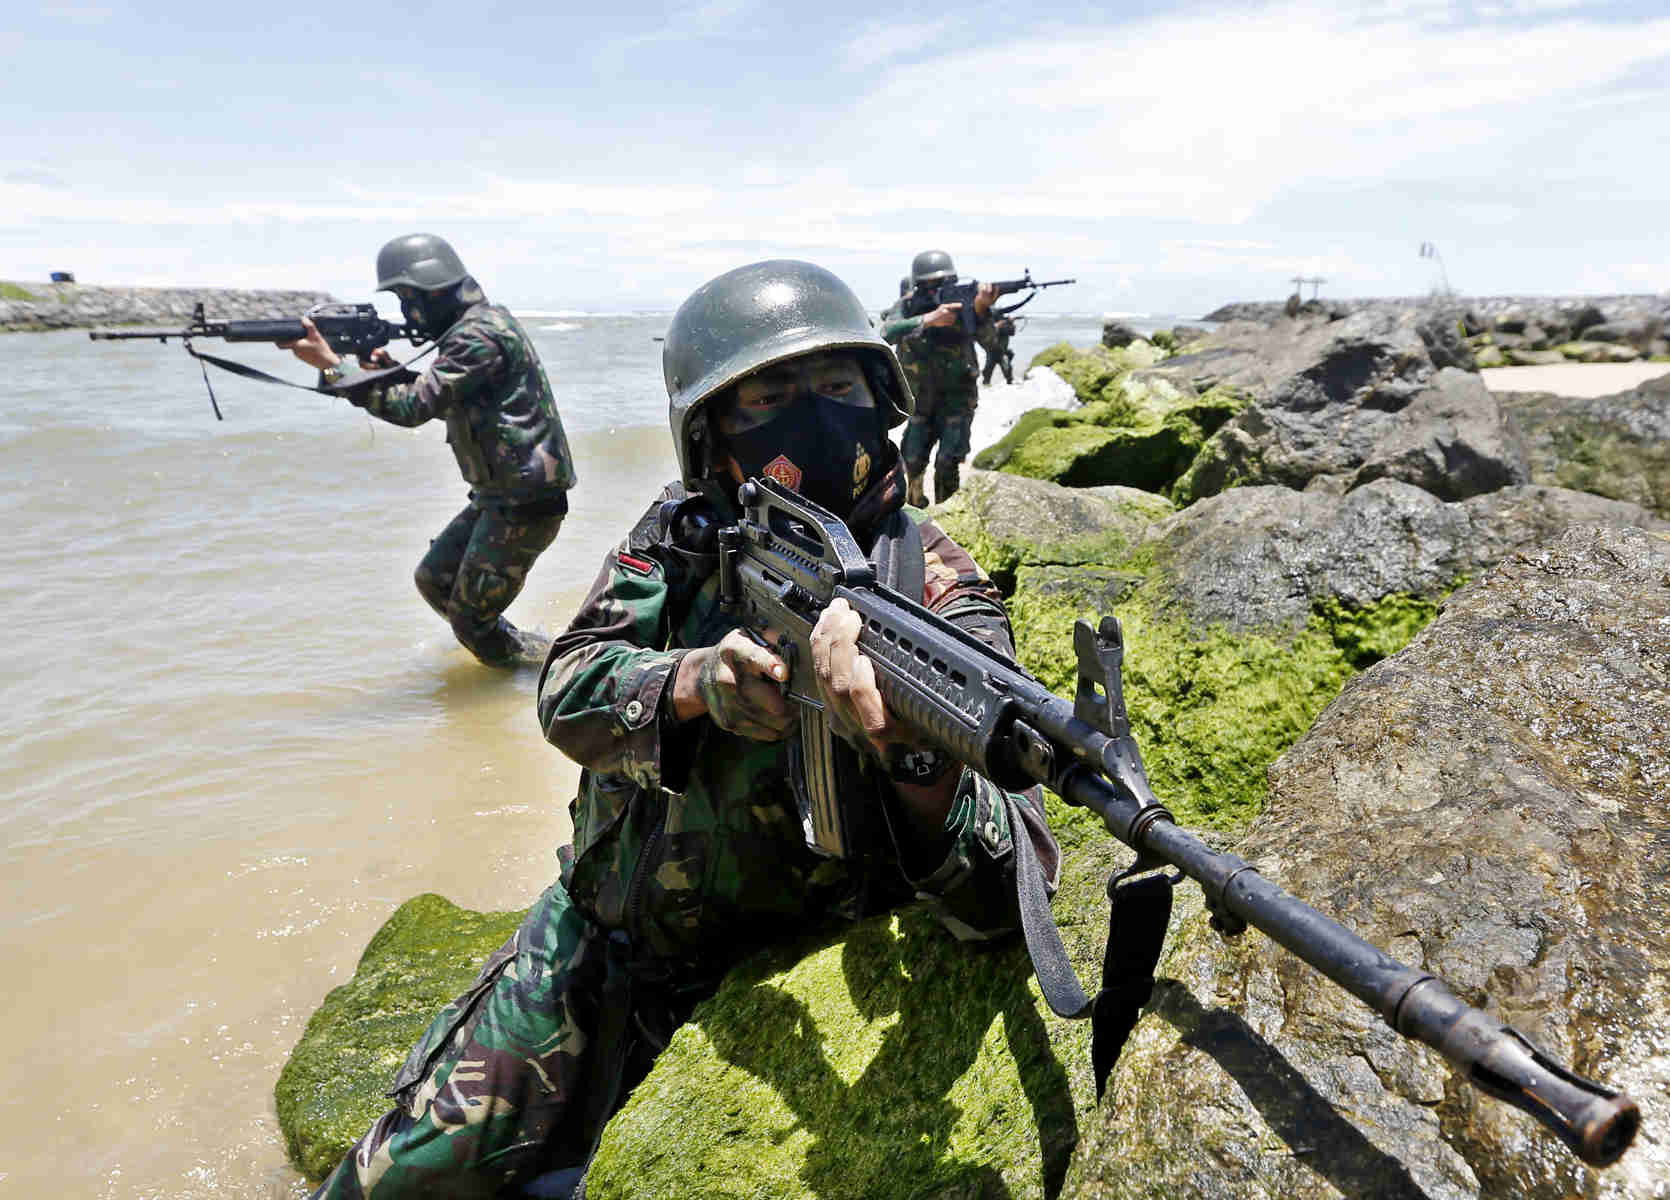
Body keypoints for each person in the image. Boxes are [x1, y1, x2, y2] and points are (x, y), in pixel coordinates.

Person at [304, 259, 1059, 1198]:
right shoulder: (683, 530)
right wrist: (694, 680)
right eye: (769, 398)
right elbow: (569, 685)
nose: (813, 416)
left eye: (836, 388)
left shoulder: (934, 589)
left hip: (764, 973)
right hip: (594, 934)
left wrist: (911, 756)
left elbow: (998, 901)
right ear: (711, 439)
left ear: (880, 400)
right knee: (388, 1183)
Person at [280, 233, 575, 667]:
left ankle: (538, 676)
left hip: (525, 502)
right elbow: (444, 395)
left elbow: (415, 407)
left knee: (471, 622)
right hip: (501, 497)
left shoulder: (479, 335)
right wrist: (379, 373)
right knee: (434, 581)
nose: (406, 310)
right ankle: (532, 657)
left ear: (433, 292)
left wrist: (332, 366)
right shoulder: (474, 328)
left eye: (406, 298)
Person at [880, 250, 998, 506]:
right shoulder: (908, 306)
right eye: (928, 284)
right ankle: (915, 509)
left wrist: (981, 310)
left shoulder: (966, 305)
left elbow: (991, 344)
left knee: (947, 461)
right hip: (921, 399)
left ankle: (947, 514)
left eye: (942, 283)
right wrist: (927, 320)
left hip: (958, 399)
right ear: (918, 284)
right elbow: (885, 332)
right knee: (911, 460)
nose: (935, 290)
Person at [978, 313, 1018, 385]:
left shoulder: (1004, 326)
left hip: (1001, 352)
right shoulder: (991, 326)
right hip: (992, 352)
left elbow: (1012, 332)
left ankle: (1009, 383)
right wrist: (997, 326)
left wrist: (1012, 324)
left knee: (1007, 372)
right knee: (987, 373)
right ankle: (986, 385)